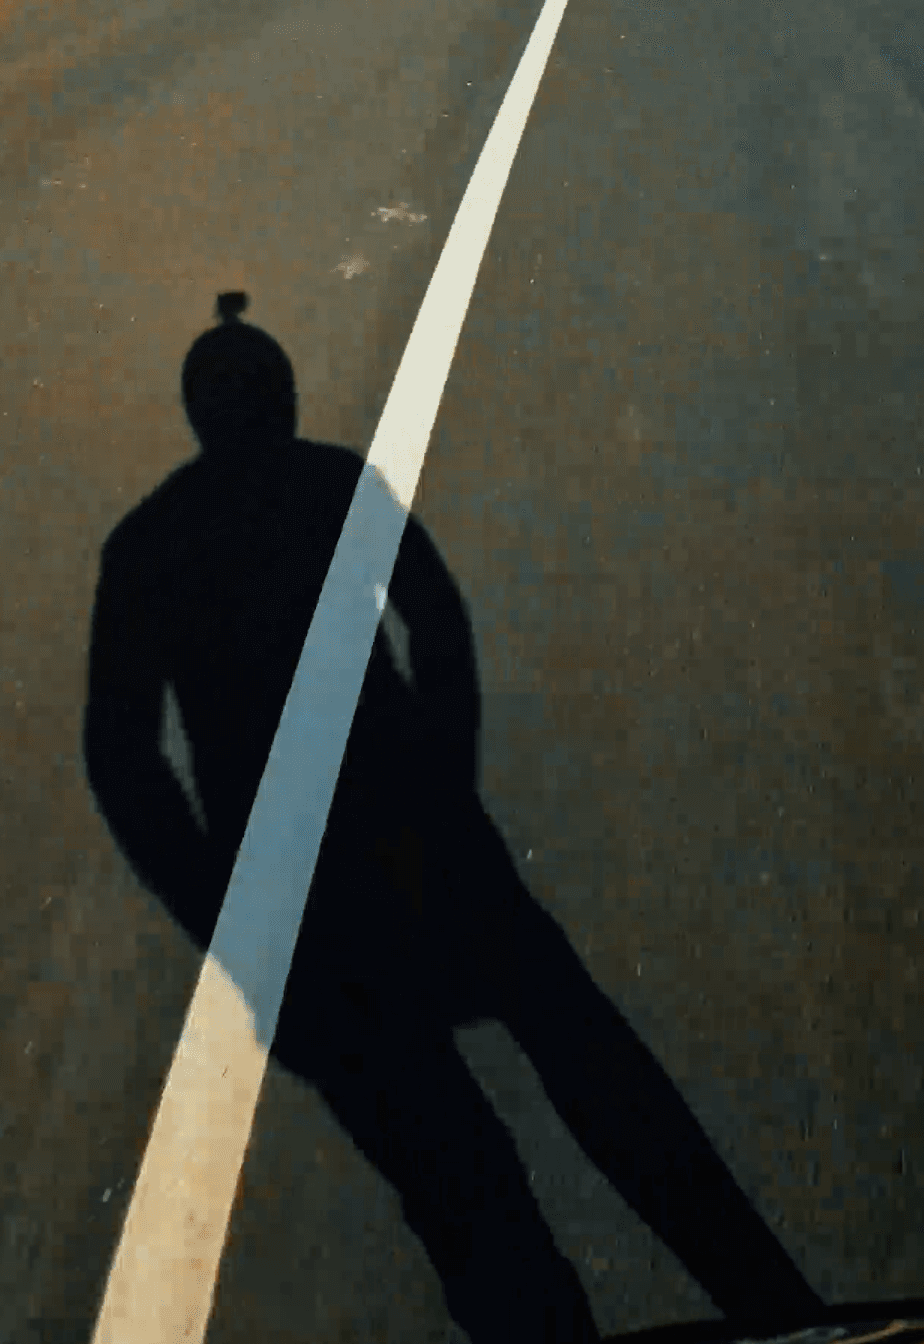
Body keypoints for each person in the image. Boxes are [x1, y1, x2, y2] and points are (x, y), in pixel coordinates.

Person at [82, 293, 824, 1344]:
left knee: (462, 1186)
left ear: (198, 412)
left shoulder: (145, 544)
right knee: (608, 1081)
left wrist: (226, 914)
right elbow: (437, 622)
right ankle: (774, 1305)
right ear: (284, 401)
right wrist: (445, 778)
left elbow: (123, 761)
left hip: (304, 915)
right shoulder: (334, 481)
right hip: (434, 856)